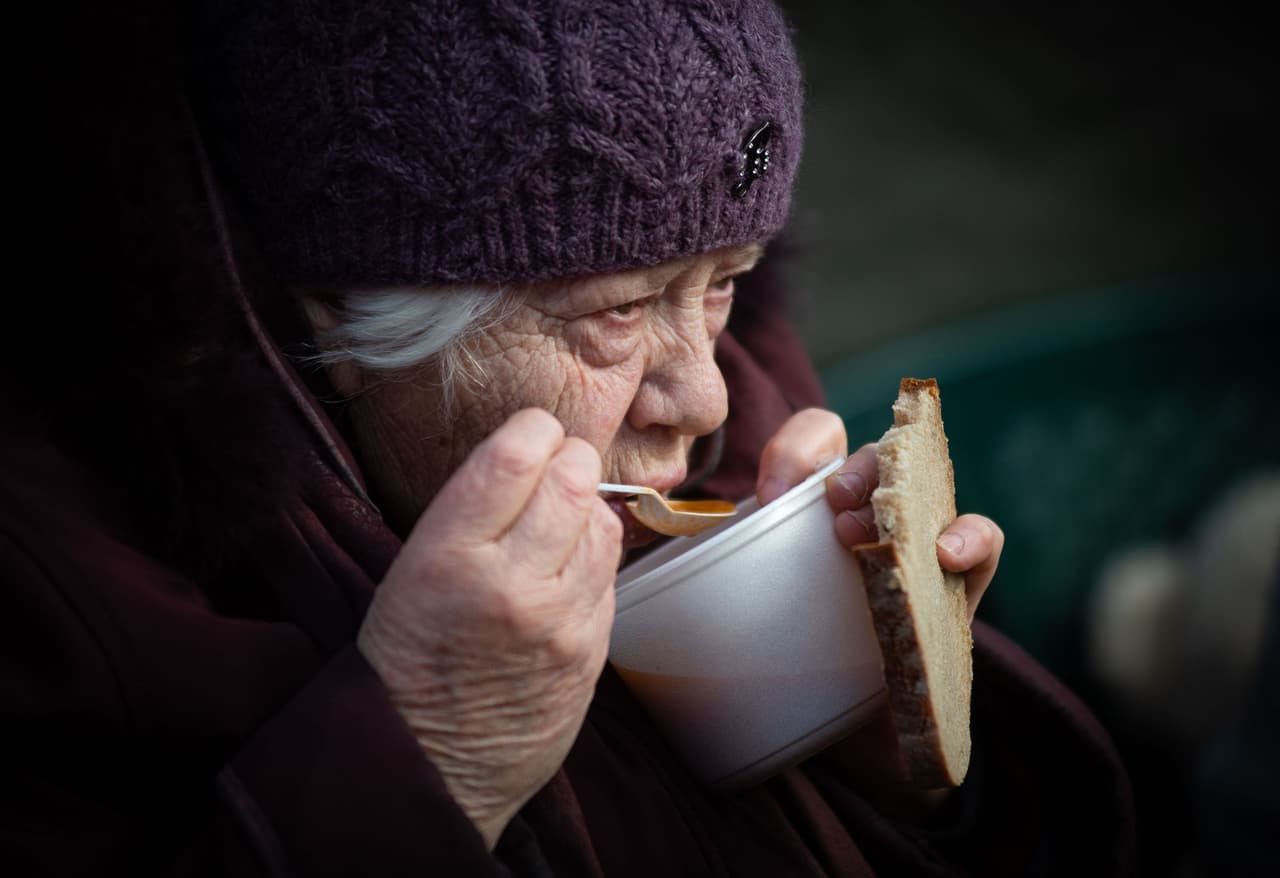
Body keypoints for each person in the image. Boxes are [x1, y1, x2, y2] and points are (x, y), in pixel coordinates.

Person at [2, 1, 1135, 875]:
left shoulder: (736, 381)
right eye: (616, 309)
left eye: (726, 282)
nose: (702, 399)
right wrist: (423, 748)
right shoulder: (57, 580)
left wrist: (888, 745)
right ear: (340, 321)